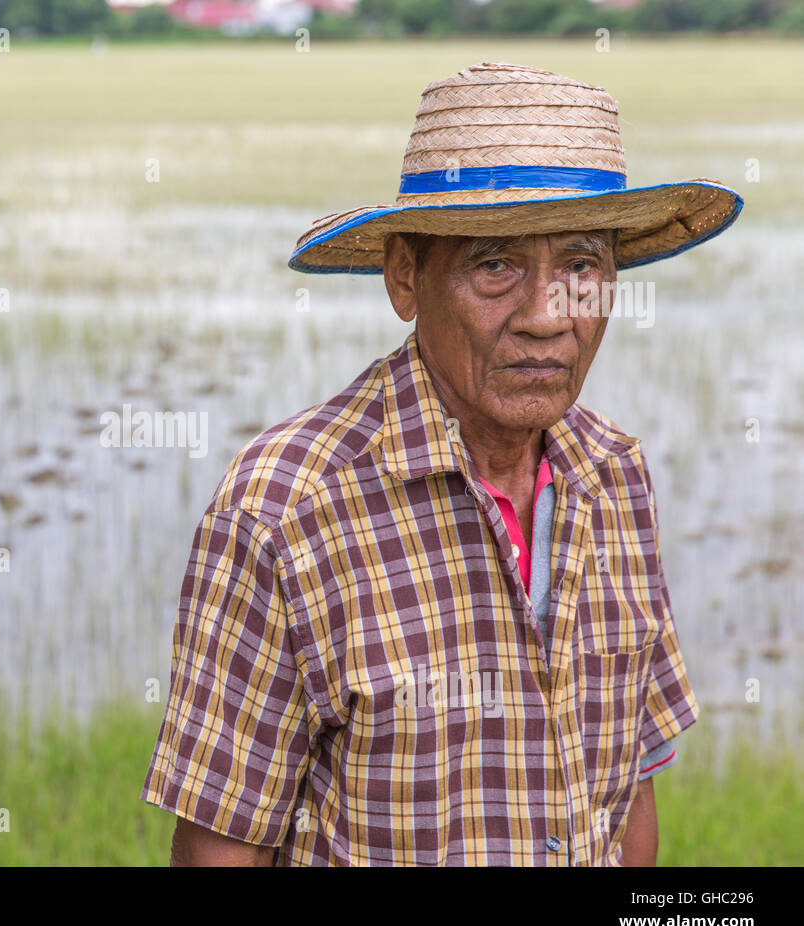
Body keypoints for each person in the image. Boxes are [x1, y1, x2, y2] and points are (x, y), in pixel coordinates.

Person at [140, 62, 743, 866]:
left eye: (581, 266)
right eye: (495, 265)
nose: (545, 317)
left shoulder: (615, 478)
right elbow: (221, 849)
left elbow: (628, 792)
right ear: (405, 276)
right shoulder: (284, 513)